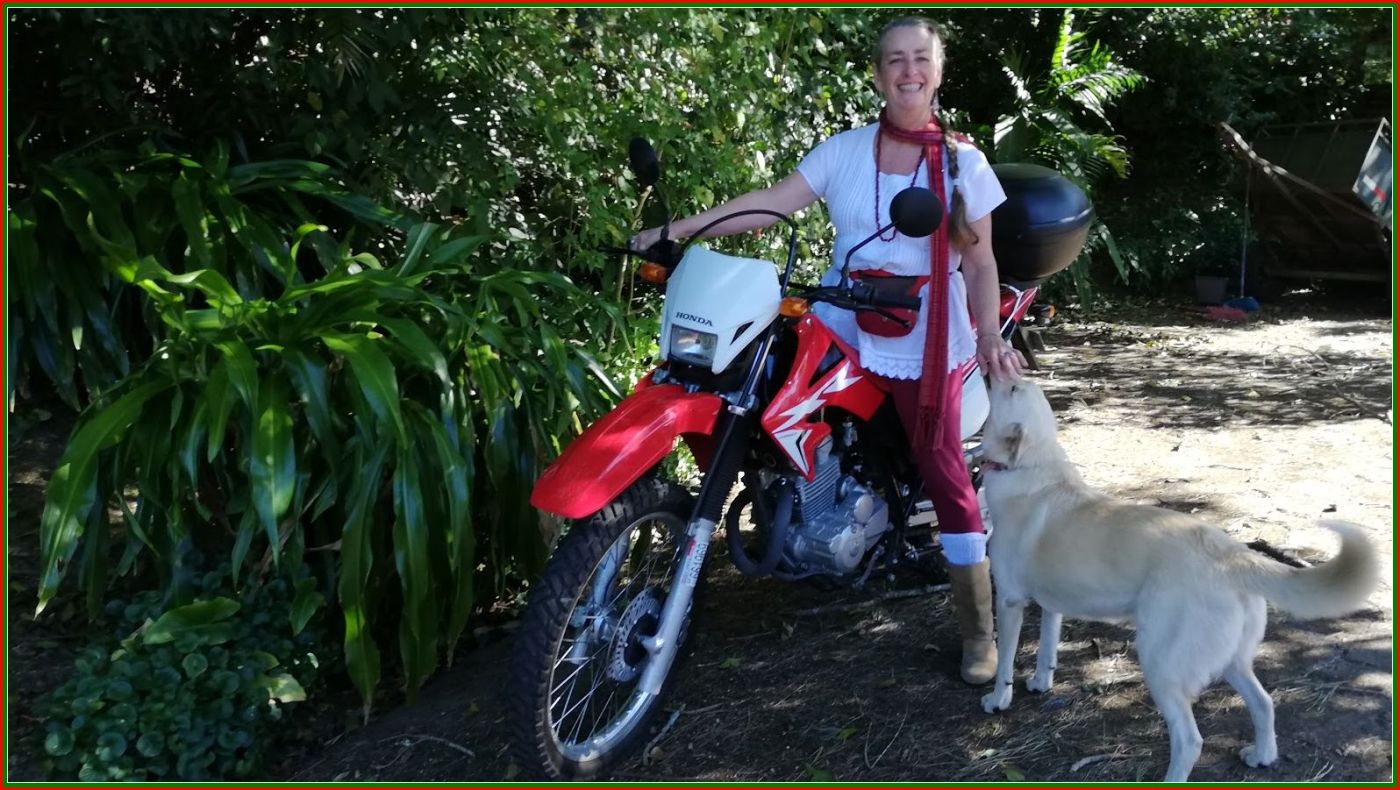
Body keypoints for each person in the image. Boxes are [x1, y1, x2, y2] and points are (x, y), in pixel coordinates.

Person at [631, 17, 1024, 685]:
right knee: (762, 392)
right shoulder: (845, 151)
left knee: (940, 463)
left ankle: (978, 630)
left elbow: (982, 263)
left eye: (920, 59)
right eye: (895, 60)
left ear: (937, 72)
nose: (908, 71)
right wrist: (680, 229)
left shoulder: (965, 164)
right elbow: (772, 204)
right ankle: (810, 510)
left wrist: (987, 334)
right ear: (878, 74)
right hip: (844, 315)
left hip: (925, 328)